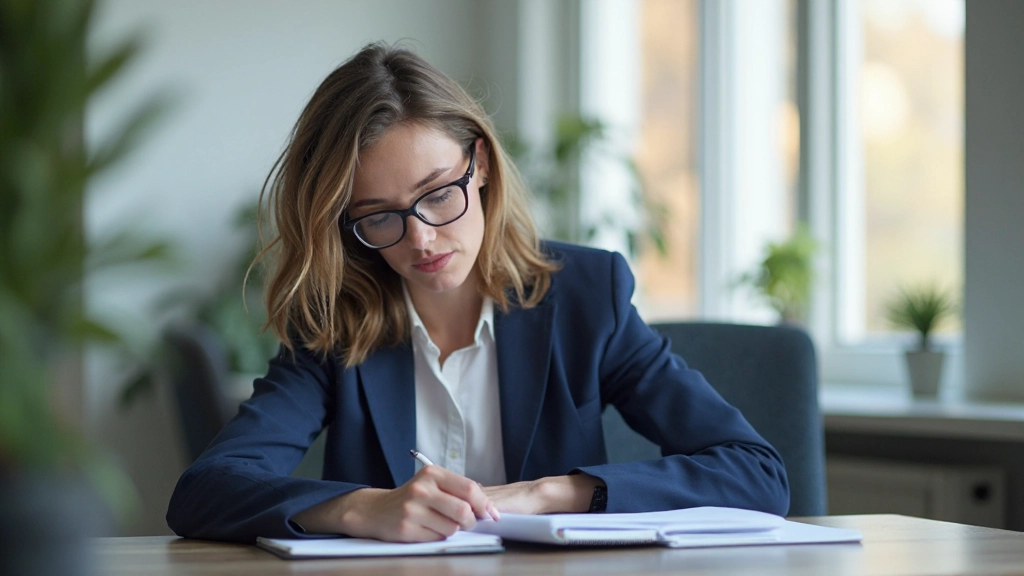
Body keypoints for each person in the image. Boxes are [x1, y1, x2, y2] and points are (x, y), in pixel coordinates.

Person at [166, 42, 789, 544]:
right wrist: (360, 509)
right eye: (380, 215)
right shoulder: (333, 323)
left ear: (481, 163)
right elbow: (206, 490)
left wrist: (550, 493)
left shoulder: (586, 299)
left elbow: (755, 472)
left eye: (439, 193)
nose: (422, 238)